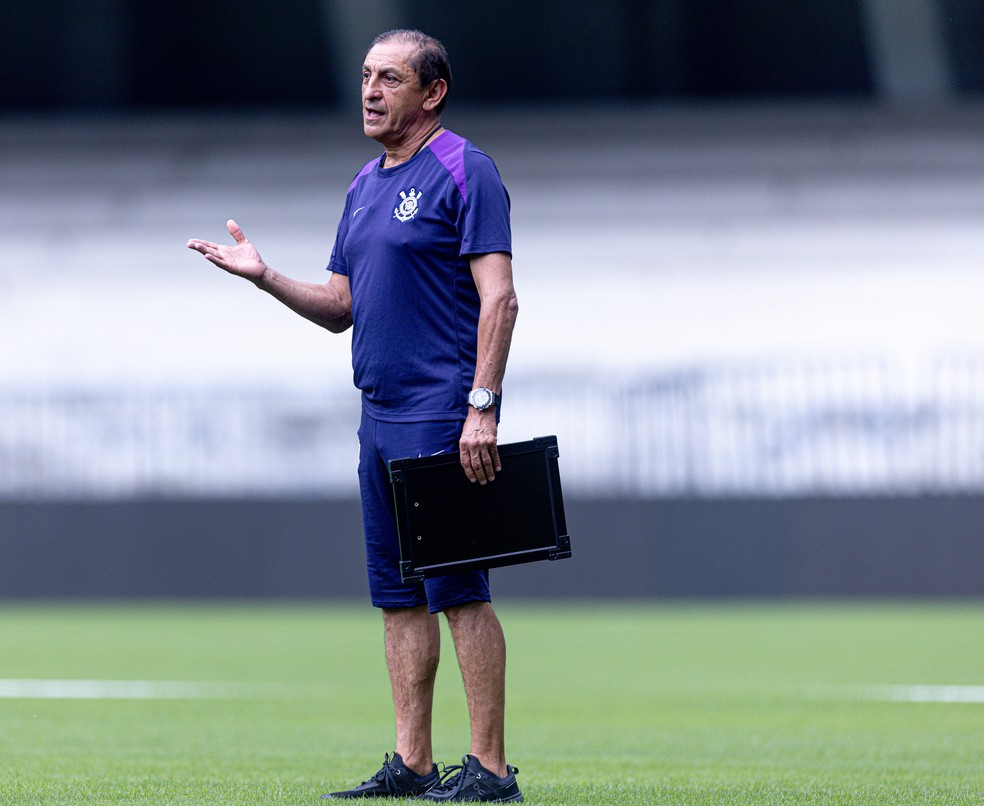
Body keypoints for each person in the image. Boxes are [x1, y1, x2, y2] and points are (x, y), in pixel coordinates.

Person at [187, 29, 523, 803]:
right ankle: (410, 764)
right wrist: (265, 276)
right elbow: (341, 305)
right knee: (398, 597)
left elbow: (499, 297)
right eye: (368, 76)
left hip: (440, 416)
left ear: (432, 93)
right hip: (377, 417)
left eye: (391, 78)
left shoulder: (464, 169)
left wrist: (481, 406)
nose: (371, 90)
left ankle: (491, 770)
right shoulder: (364, 184)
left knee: (460, 593)